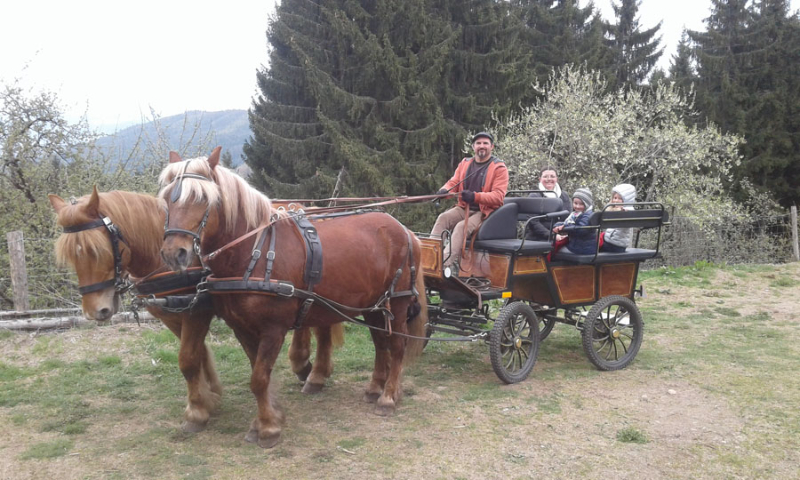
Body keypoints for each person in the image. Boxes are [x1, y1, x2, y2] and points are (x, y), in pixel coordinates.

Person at [431, 132, 509, 269]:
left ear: (492, 147)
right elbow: (453, 183)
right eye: (478, 143)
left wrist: (475, 196)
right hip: (463, 207)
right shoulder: (465, 163)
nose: (482, 146)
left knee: (462, 227)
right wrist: (444, 191)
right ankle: (428, 258)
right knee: (443, 218)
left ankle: (441, 265)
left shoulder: (499, 168)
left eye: (485, 143)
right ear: (473, 147)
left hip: (484, 212)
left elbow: (498, 196)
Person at [525, 167, 571, 241]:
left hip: (561, 235)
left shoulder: (564, 196)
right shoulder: (534, 196)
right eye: (545, 176)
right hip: (538, 237)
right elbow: (533, 222)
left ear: (557, 179)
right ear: (540, 179)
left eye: (552, 176)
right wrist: (552, 236)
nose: (549, 179)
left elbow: (568, 218)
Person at [552, 188, 596, 255]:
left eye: (581, 204)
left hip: (582, 249)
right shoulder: (575, 214)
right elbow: (568, 223)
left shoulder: (588, 215)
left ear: (587, 204)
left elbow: (581, 230)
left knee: (555, 251)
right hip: (577, 245)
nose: (577, 206)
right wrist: (557, 225)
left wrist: (564, 228)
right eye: (575, 203)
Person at [601, 183, 637, 253]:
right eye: (615, 198)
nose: (616, 200)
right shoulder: (614, 209)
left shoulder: (627, 212)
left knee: (593, 246)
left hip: (615, 246)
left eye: (620, 198)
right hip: (611, 243)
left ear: (626, 200)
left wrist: (623, 214)